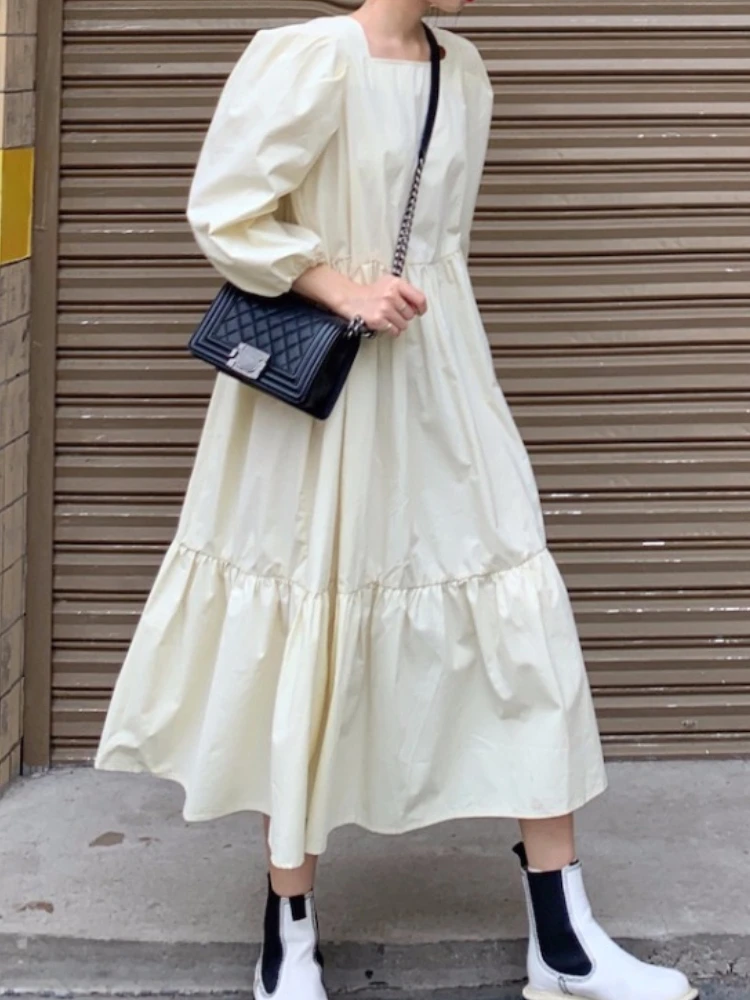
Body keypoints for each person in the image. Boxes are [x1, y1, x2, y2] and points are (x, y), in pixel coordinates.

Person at [95, 2, 697, 999]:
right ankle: (286, 937)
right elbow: (227, 208)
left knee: (516, 613)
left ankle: (566, 940)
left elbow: (441, 244)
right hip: (322, 393)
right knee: (305, 629)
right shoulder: (303, 57)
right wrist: (342, 286)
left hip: (440, 374)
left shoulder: (464, 69)